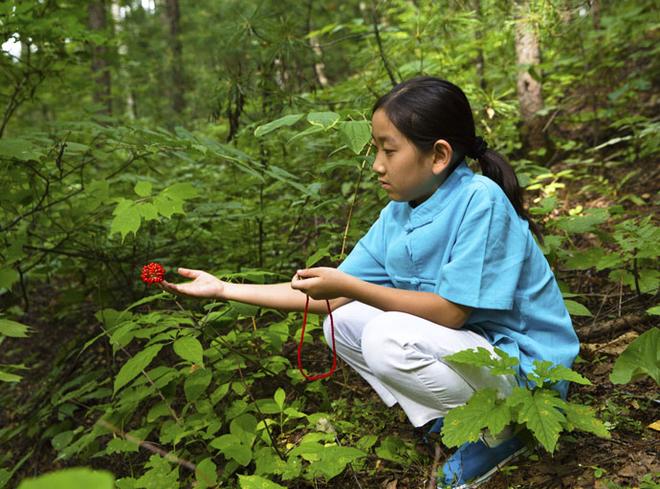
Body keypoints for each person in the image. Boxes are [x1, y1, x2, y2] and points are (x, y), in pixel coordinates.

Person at [161, 76, 580, 488]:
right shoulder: (398, 215)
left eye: (388, 150)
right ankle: (452, 422)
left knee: (383, 333)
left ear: (438, 155)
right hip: (474, 353)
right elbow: (324, 294)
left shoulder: (480, 200)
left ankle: (505, 432)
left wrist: (352, 287)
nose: (377, 164)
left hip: (525, 371)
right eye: (375, 148)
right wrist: (223, 288)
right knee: (340, 324)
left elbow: (451, 313)